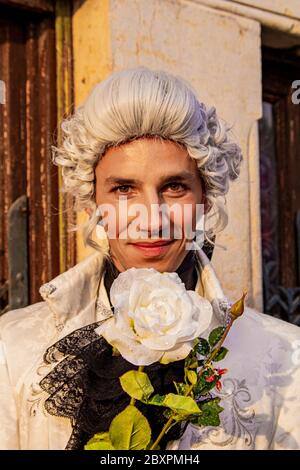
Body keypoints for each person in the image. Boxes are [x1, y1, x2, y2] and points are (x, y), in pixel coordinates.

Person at [0, 67, 299, 450]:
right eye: (124, 188)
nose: (152, 218)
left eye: (174, 187)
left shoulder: (286, 360)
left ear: (204, 199)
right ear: (95, 201)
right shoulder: (14, 347)